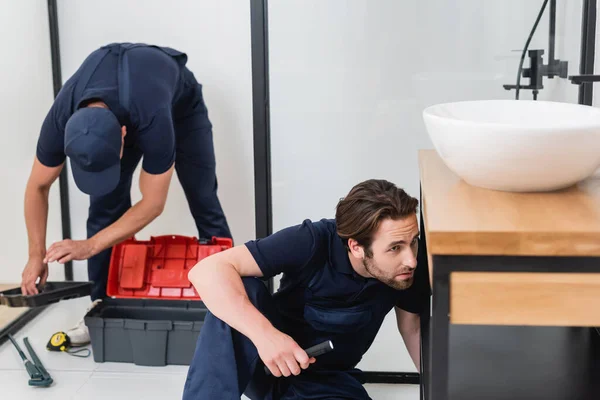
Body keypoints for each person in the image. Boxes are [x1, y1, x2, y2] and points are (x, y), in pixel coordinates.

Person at [20, 43, 232, 345]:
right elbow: (37, 186)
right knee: (105, 207)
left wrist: (90, 246)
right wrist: (34, 254)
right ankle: (100, 307)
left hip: (179, 105)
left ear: (123, 135)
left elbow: (153, 203)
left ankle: (231, 310)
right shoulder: (59, 120)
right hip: (126, 98)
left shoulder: (153, 119)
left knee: (202, 197)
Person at [182, 179, 430, 399]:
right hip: (264, 362)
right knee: (240, 286)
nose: (411, 259)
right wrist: (267, 337)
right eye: (395, 248)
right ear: (356, 247)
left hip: (327, 381)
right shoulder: (312, 240)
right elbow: (205, 271)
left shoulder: (406, 269)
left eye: (414, 242)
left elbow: (413, 329)